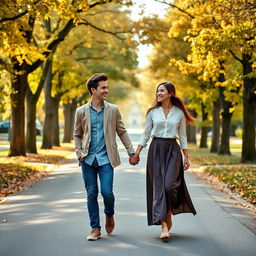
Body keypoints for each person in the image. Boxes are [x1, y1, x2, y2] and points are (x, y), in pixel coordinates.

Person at [130, 81, 197, 240]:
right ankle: (164, 225)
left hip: (173, 151)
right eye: (157, 91)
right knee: (159, 187)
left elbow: (182, 136)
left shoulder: (179, 113)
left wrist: (186, 157)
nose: (158, 93)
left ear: (170, 93)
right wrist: (137, 153)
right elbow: (145, 134)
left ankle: (168, 213)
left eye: (162, 91)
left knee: (170, 186)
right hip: (156, 150)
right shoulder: (153, 112)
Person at [73, 73, 135, 241]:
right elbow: (77, 134)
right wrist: (79, 153)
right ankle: (95, 228)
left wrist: (131, 152)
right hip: (87, 159)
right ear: (93, 90)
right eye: (103, 87)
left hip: (107, 158)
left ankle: (109, 214)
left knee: (107, 192)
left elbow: (121, 131)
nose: (106, 90)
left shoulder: (113, 110)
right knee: (91, 194)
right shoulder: (81, 111)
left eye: (107, 87)